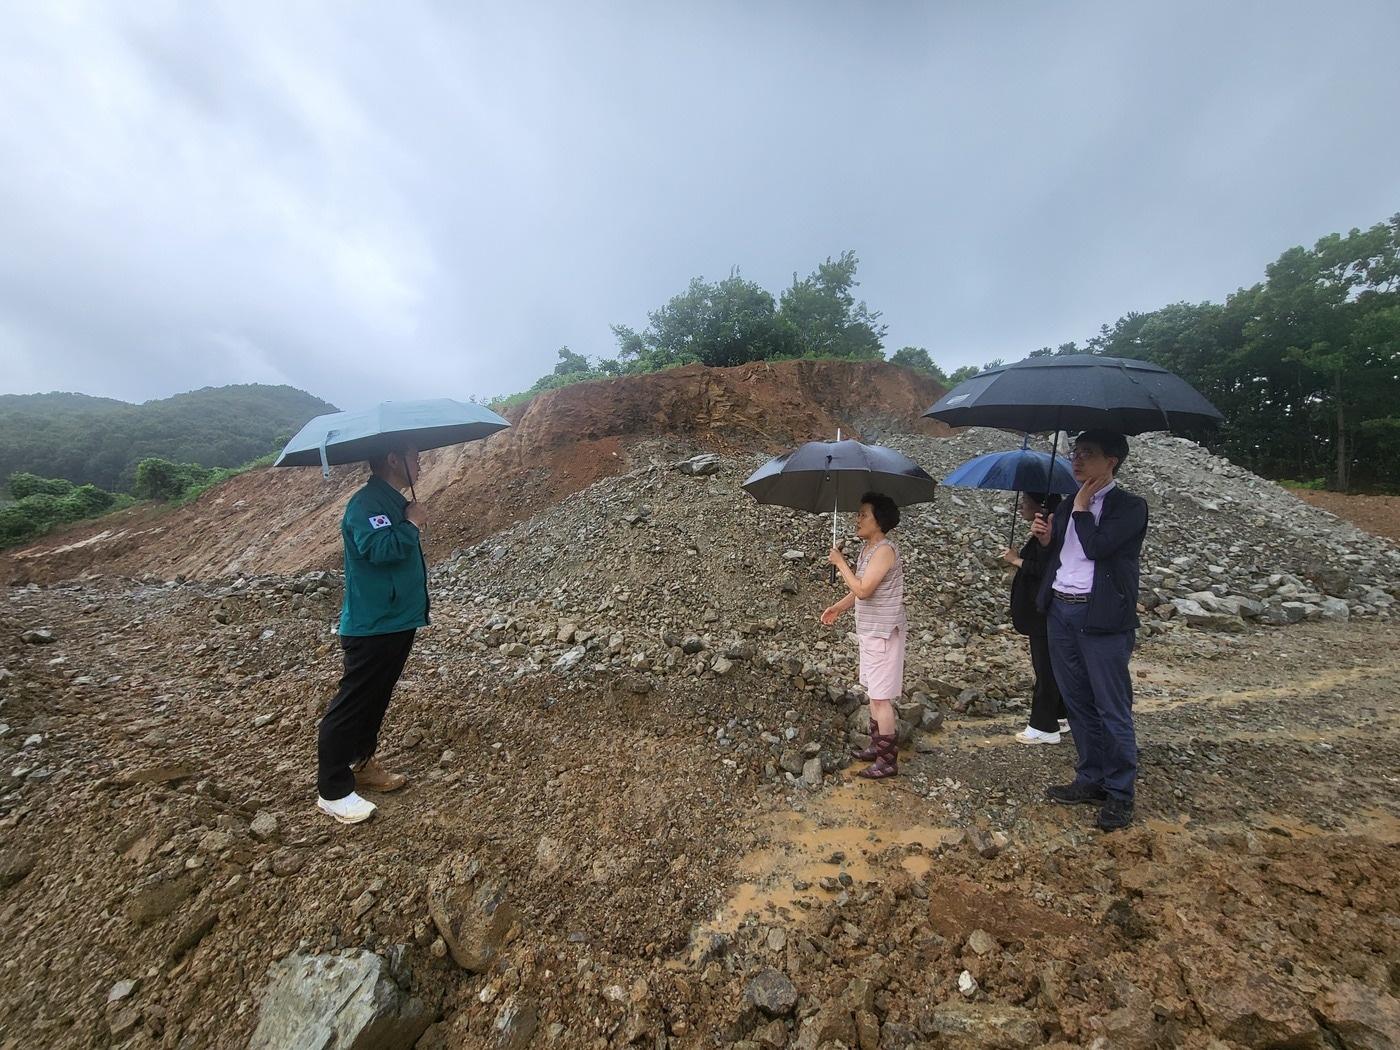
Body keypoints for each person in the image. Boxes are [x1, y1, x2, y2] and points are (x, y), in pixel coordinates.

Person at [1032, 430, 1147, 831]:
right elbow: (1066, 552)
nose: (1076, 460)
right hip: (1061, 611)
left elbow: (1098, 547)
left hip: (1101, 619)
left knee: (1111, 706)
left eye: (1087, 454)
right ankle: (1091, 777)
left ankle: (1119, 792)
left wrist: (1081, 509)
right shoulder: (1068, 504)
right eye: (1074, 452)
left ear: (1111, 461)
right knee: (1077, 700)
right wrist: (1047, 538)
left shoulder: (1130, 507)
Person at [316, 445, 430, 824]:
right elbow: (381, 550)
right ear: (394, 460)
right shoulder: (366, 505)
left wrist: (407, 518)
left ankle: (361, 762)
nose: (420, 463)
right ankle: (332, 790)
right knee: (353, 702)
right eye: (415, 456)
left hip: (396, 619)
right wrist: (411, 523)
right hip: (373, 624)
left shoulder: (391, 502)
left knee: (377, 697)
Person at [821, 492, 906, 780]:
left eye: (863, 515)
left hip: (883, 633)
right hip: (870, 631)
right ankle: (876, 746)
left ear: (879, 520)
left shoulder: (884, 550)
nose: (857, 519)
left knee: (881, 698)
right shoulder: (868, 550)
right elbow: (858, 589)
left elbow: (864, 590)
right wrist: (839, 607)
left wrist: (840, 563)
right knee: (874, 694)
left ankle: (887, 760)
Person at [1002, 492, 1070, 744]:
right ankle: (1061, 716)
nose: (1020, 508)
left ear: (1040, 507)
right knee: (1051, 666)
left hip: (1043, 614)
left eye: (1024, 503)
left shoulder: (1050, 535)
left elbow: (1047, 570)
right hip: (1041, 613)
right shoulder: (1047, 534)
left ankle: (1043, 726)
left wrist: (1016, 559)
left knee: (1046, 669)